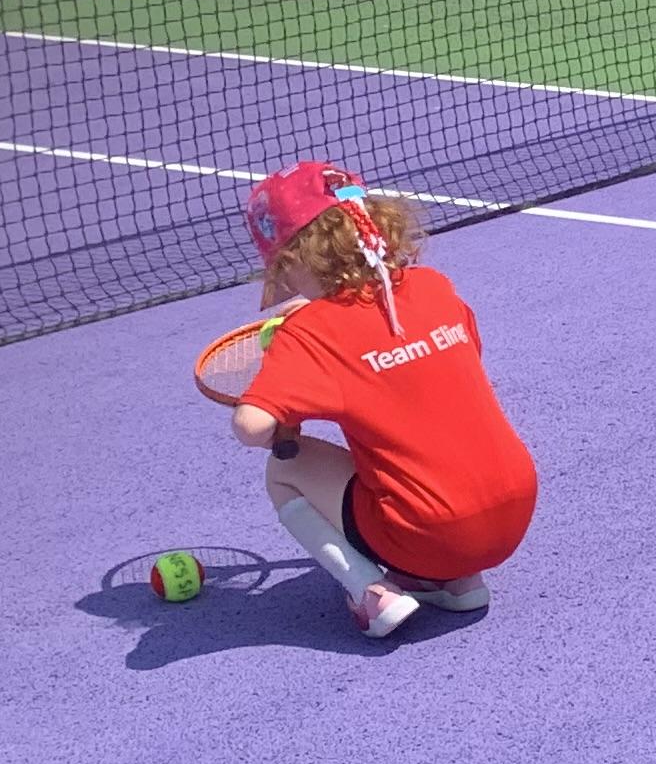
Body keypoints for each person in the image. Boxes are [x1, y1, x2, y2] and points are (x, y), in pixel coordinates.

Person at [228, 162, 538, 640]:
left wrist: (286, 363)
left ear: (292, 260)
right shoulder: (435, 287)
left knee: (285, 470)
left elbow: (252, 428)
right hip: (514, 512)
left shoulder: (309, 332)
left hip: (429, 533)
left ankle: (373, 594)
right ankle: (459, 584)